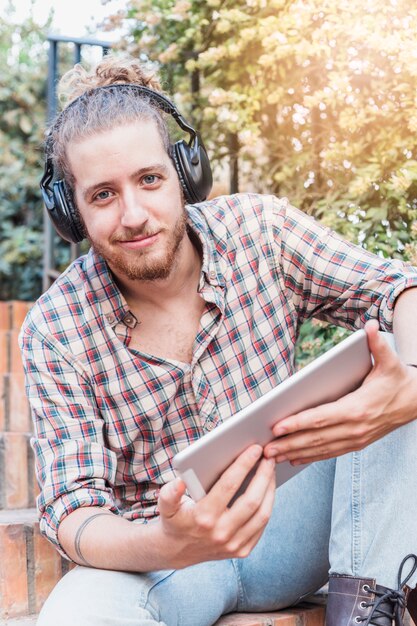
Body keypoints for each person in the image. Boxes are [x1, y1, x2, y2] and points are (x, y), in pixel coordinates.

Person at [19, 54, 417, 626]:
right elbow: (70, 513)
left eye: (150, 179)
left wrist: (407, 390)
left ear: (184, 173)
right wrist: (166, 542)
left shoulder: (260, 230)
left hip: (292, 518)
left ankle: (368, 613)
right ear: (72, 213)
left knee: (403, 358)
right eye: (102, 195)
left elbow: (399, 286)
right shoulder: (55, 328)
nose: (134, 214)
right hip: (164, 561)